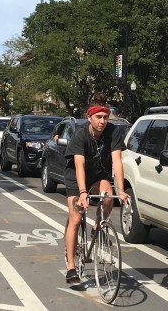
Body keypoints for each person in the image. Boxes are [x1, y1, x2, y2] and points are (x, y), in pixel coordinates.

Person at [63, 93, 130, 284]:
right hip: (76, 179)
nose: (102, 121)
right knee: (75, 218)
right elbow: (79, 165)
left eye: (105, 117)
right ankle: (71, 267)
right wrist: (83, 193)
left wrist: (121, 189)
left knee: (108, 197)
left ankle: (97, 226)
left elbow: (117, 161)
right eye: (98, 117)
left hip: (99, 175)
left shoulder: (113, 132)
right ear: (89, 117)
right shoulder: (80, 134)